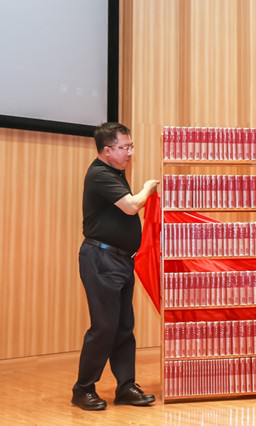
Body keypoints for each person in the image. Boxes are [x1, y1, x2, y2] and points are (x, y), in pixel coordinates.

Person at [72, 122, 160, 411]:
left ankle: (125, 387)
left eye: (131, 146)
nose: (130, 152)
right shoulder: (100, 174)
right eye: (125, 147)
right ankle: (83, 389)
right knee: (104, 327)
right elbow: (132, 206)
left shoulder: (115, 172)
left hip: (121, 259)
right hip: (101, 259)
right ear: (107, 150)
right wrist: (147, 188)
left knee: (123, 326)